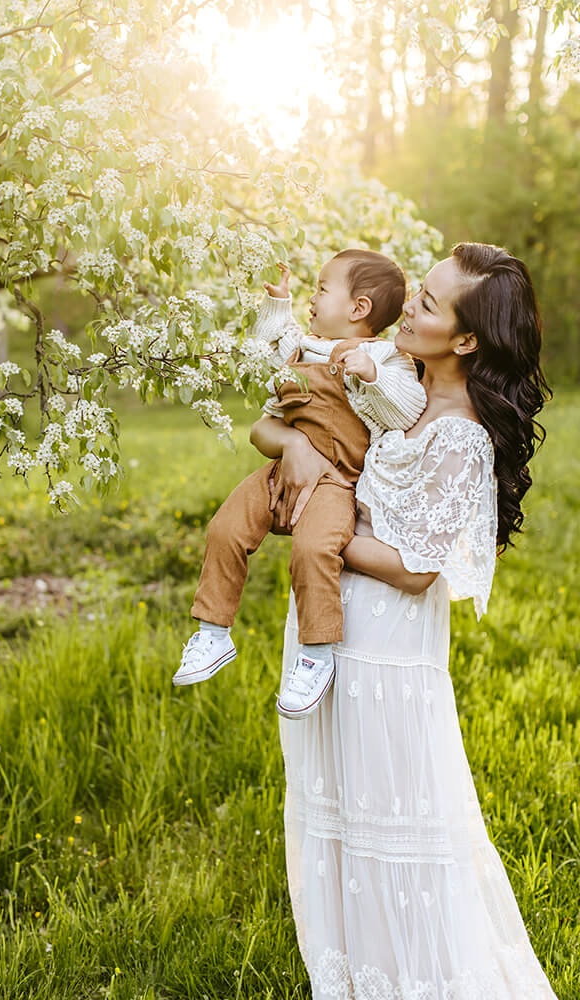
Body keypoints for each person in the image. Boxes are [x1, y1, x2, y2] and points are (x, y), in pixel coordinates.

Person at [257, 243, 554, 996]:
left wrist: (320, 523)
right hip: (335, 631)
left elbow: (416, 566)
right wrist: (297, 450)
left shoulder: (458, 434)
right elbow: (303, 412)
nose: (409, 309)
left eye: (429, 303)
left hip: (385, 657)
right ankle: (357, 977)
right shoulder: (399, 394)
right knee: (340, 821)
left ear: (466, 340)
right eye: (416, 292)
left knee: (395, 833)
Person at [176, 251, 422, 718]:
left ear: (359, 308)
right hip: (280, 470)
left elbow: (407, 408)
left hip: (336, 483)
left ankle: (317, 654)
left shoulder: (384, 357)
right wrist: (279, 304)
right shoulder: (305, 345)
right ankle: (212, 633)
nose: (313, 297)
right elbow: (273, 344)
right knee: (225, 529)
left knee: (313, 551)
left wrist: (372, 378)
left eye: (322, 289)